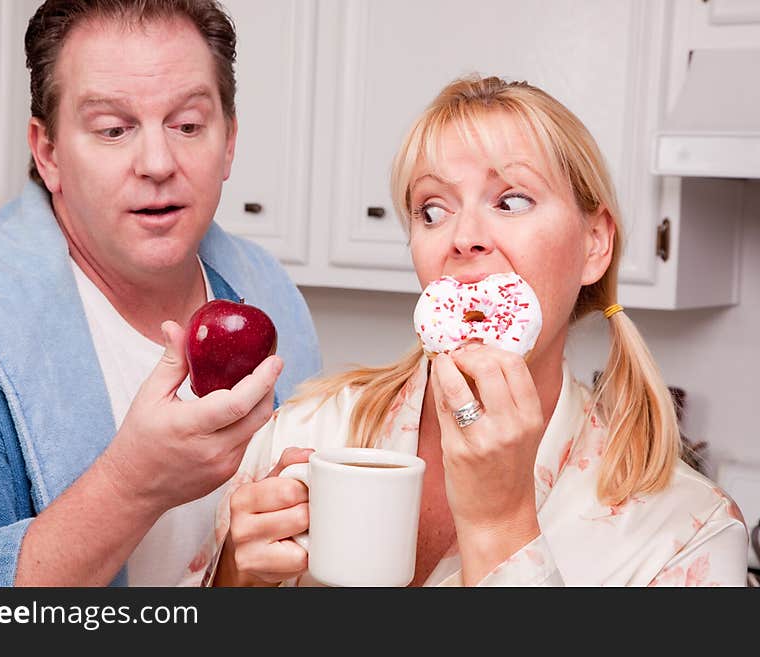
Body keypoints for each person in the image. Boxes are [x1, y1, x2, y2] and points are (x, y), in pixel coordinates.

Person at [208, 75, 749, 587]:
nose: (464, 237)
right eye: (433, 210)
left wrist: (501, 525)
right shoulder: (306, 434)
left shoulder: (688, 535)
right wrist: (236, 578)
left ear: (595, 244)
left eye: (511, 201)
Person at [0, 0, 320, 587]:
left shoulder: (271, 293)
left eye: (188, 125)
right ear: (49, 153)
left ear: (230, 140)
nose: (158, 163)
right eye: (114, 130)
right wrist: (130, 486)